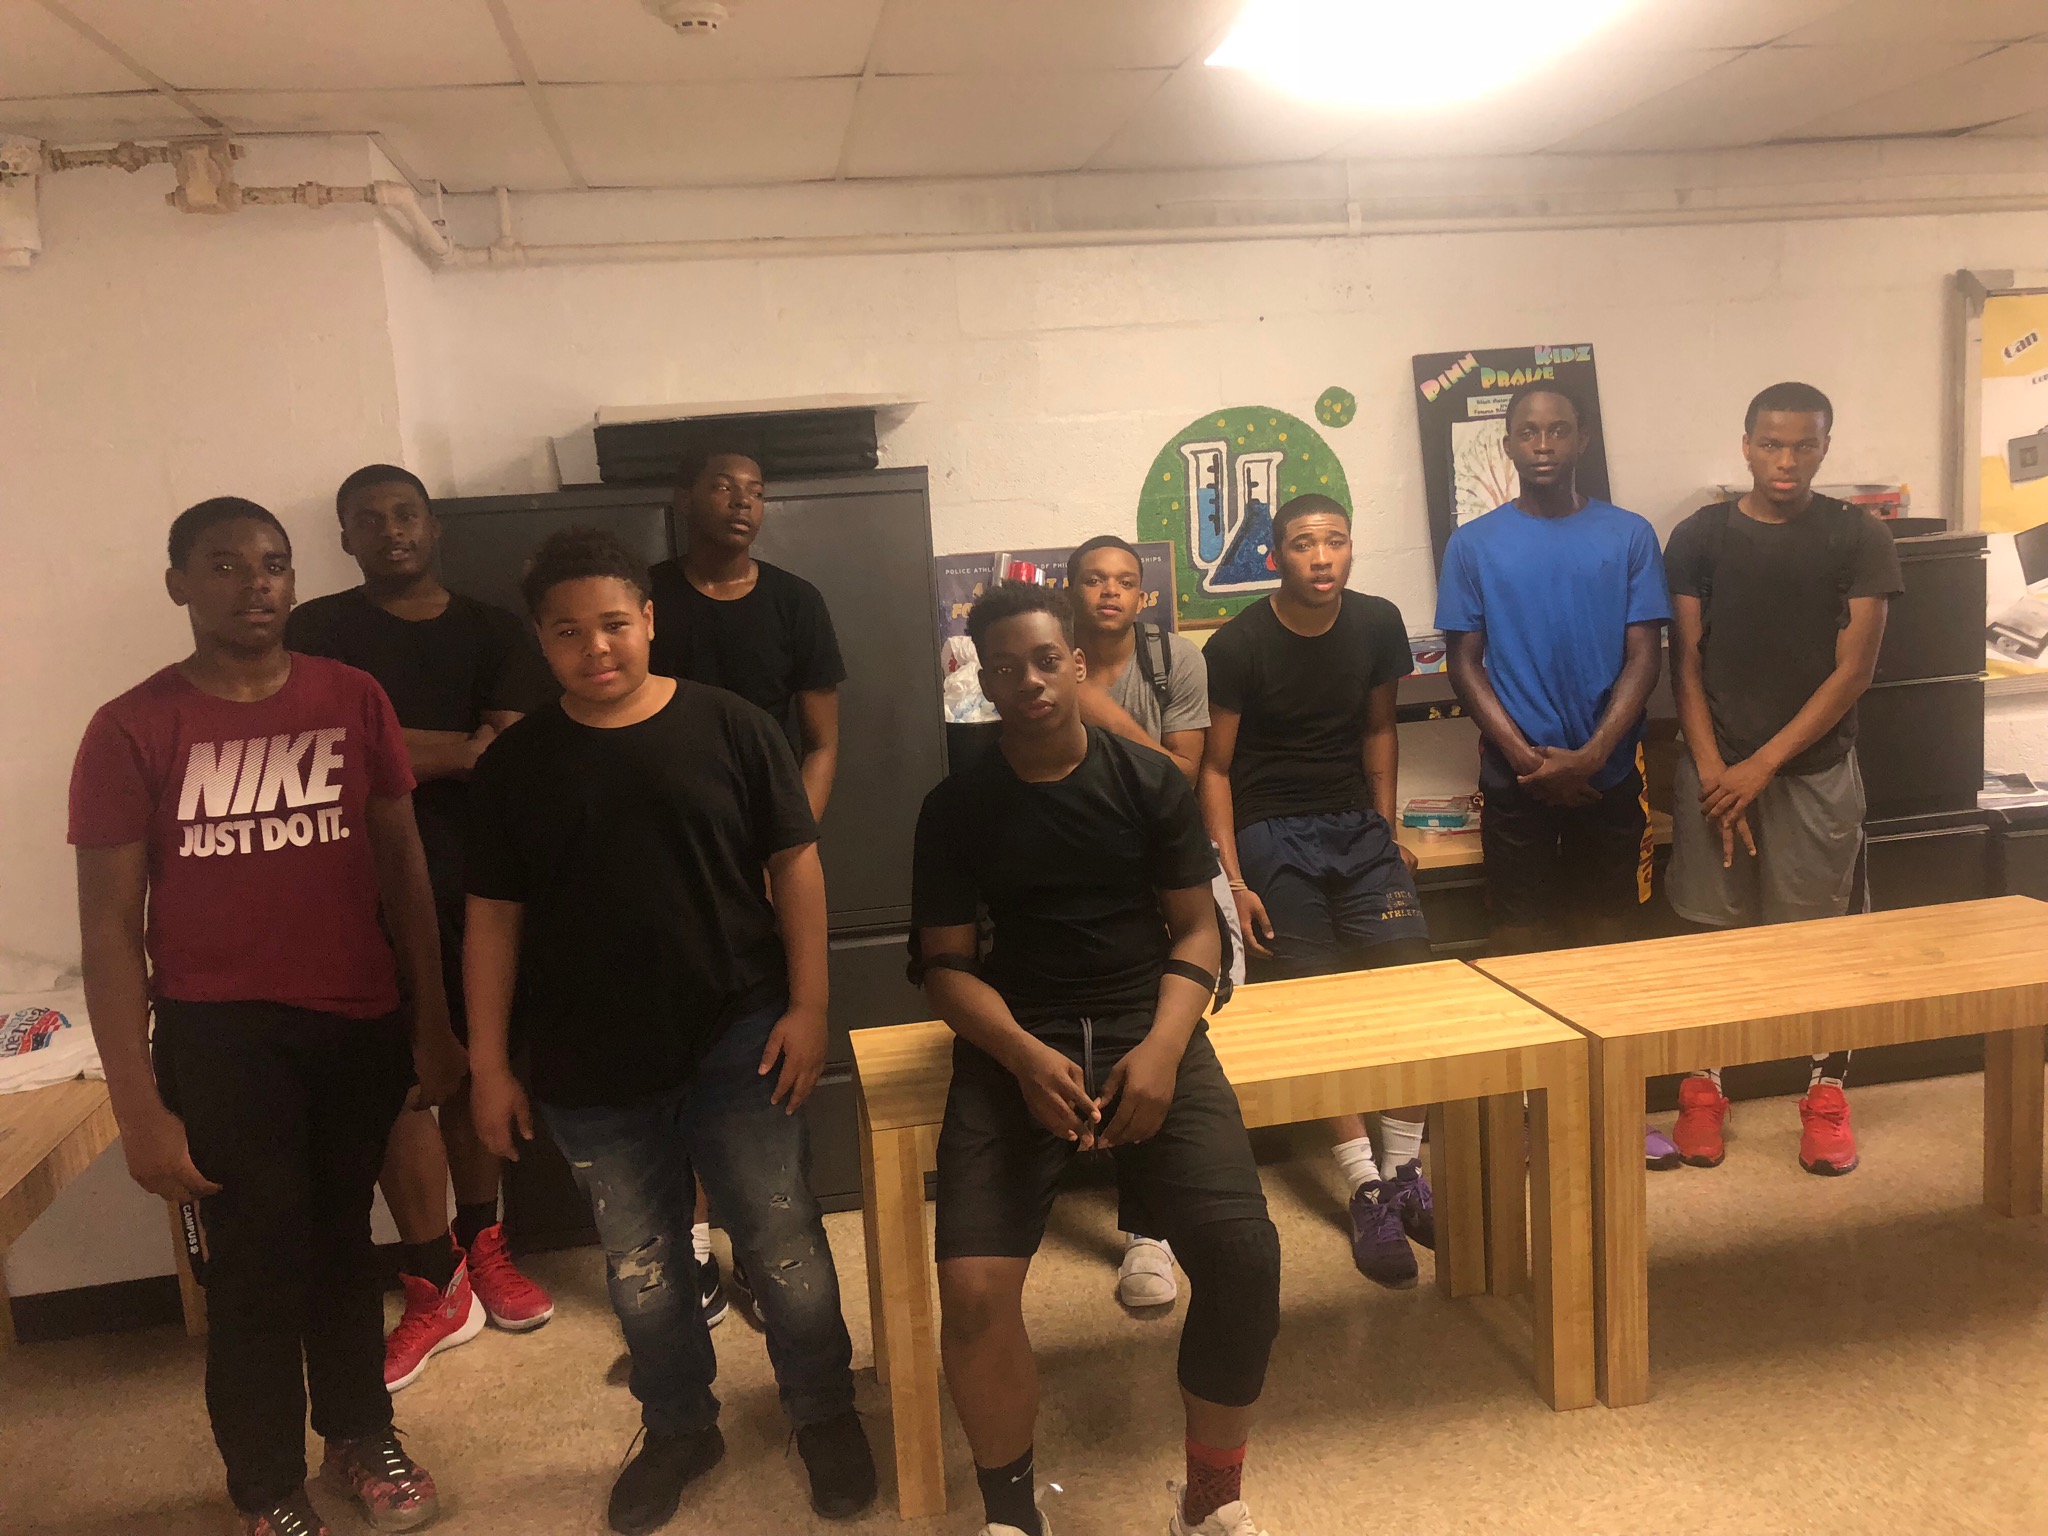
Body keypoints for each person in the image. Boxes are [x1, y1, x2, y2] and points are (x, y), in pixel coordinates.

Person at [463, 527, 875, 1532]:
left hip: (741, 1034)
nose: (594, 648)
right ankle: (680, 1426)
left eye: (613, 623)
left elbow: (795, 865)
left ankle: (822, 1409)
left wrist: (812, 1006)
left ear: (648, 620)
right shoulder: (516, 763)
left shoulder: (733, 726)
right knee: (641, 1265)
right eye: (567, 632)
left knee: (782, 1240)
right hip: (587, 1061)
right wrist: (487, 1065)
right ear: (541, 640)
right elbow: (492, 919)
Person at [71, 497, 464, 1536]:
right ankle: (265, 1484)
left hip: (355, 1022)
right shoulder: (131, 727)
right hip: (220, 1036)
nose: (256, 583)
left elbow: (404, 873)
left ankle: (359, 1434)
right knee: (253, 1264)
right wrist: (138, 1107)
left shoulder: (352, 698)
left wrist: (431, 1023)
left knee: (342, 1244)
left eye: (274, 564)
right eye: (225, 564)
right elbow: (108, 933)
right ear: (178, 584)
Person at [914, 580, 1280, 1536]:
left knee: (1244, 1258)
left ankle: (1209, 1503)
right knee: (973, 1293)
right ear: (985, 683)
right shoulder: (956, 807)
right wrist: (1021, 1056)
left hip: (1145, 1021)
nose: (1030, 681)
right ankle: (1012, 1517)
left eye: (1046, 661)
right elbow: (945, 969)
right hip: (1015, 1037)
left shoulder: (1149, 782)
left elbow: (1196, 931)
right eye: (1006, 669)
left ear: (1077, 664)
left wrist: (1163, 1050)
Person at [287, 463, 557, 1391]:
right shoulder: (316, 630)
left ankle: (485, 1245)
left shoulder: (495, 629)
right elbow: (321, 752)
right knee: (398, 1082)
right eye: (368, 518)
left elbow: (508, 754)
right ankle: (433, 1280)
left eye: (406, 513)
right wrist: (452, 749)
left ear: (434, 526)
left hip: (480, 887)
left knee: (477, 1065)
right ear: (344, 537)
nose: (391, 530)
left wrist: (397, 748)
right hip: (349, 891)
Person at [1661, 381, 1903, 1177]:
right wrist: (1715, 773)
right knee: (1711, 941)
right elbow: (1684, 663)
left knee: (1821, 945)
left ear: (1825, 447)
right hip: (1714, 770)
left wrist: (1761, 767)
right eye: (1771, 444)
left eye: (1804, 445)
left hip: (1812, 772)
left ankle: (1826, 1096)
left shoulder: (1858, 536)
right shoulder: (1699, 537)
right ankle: (1703, 1090)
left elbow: (1854, 671)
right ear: (1746, 446)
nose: (1787, 460)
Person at [1432, 385, 1676, 1165]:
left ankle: (1614, 1111)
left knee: (1609, 942)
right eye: (1529, 432)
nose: (1543, 444)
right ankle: (1532, 1116)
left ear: (1581, 440)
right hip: (1516, 783)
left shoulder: (1629, 535)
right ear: (1507, 444)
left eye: (1558, 430)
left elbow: (1646, 656)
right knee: (1521, 944)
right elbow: (1464, 663)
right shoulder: (1473, 545)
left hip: (1609, 776)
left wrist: (1594, 754)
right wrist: (1525, 758)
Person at [1199, 494, 1435, 1290]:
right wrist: (1234, 879)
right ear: (1277, 557)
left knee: (1413, 990)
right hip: (1272, 832)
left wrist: (1386, 830)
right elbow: (1215, 769)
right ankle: (1365, 1184)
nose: (1322, 556)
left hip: (1357, 829)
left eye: (1335, 540)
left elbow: (1379, 730)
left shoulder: (1377, 623)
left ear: (1351, 548)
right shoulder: (1238, 644)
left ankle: (1405, 1172)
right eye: (1304, 543)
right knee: (1318, 1005)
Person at [647, 447, 846, 1323]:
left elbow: (823, 743)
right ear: (684, 496)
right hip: (663, 856)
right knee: (676, 1058)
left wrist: (782, 844)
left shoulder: (796, 602)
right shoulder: (647, 598)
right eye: (723, 485)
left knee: (765, 1058)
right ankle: (690, 1245)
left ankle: (769, 1249)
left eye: (757, 490)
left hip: (766, 855)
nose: (742, 502)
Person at [1066, 533, 1234, 1310]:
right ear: (1071, 592)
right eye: (1094, 579)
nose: (1109, 591)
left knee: (1160, 1034)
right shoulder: (1044, 656)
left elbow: (1182, 777)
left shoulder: (1175, 662)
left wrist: (1097, 710)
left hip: (1162, 873)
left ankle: (1152, 1225)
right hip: (1070, 871)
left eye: (1124, 581)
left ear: (1143, 595)